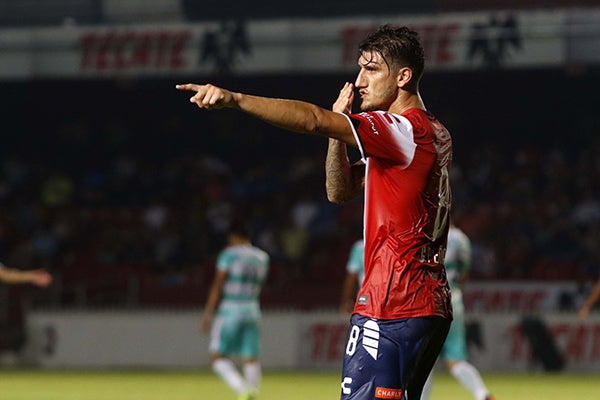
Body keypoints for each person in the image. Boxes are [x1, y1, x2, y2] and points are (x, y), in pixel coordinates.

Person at [178, 24, 453, 400]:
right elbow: (339, 192)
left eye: (371, 70)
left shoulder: (400, 130)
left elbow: (311, 118)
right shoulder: (433, 132)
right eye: (359, 69)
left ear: (403, 76)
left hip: (392, 301)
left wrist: (236, 99)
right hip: (427, 302)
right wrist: (338, 134)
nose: (359, 81)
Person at [420, 223, 495, 400]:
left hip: (428, 300)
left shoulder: (425, 234)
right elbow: (463, 274)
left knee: (423, 360)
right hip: (453, 300)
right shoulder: (461, 239)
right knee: (456, 359)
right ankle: (482, 393)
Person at [200, 217, 270, 400]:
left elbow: (217, 285)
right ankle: (253, 392)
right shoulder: (262, 257)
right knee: (251, 357)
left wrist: (207, 314)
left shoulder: (228, 254)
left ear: (233, 236)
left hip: (230, 308)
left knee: (218, 357)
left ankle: (242, 389)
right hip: (252, 309)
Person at [339, 239, 364, 315]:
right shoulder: (360, 247)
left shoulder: (361, 246)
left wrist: (345, 303)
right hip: (394, 301)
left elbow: (351, 278)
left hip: (367, 300)